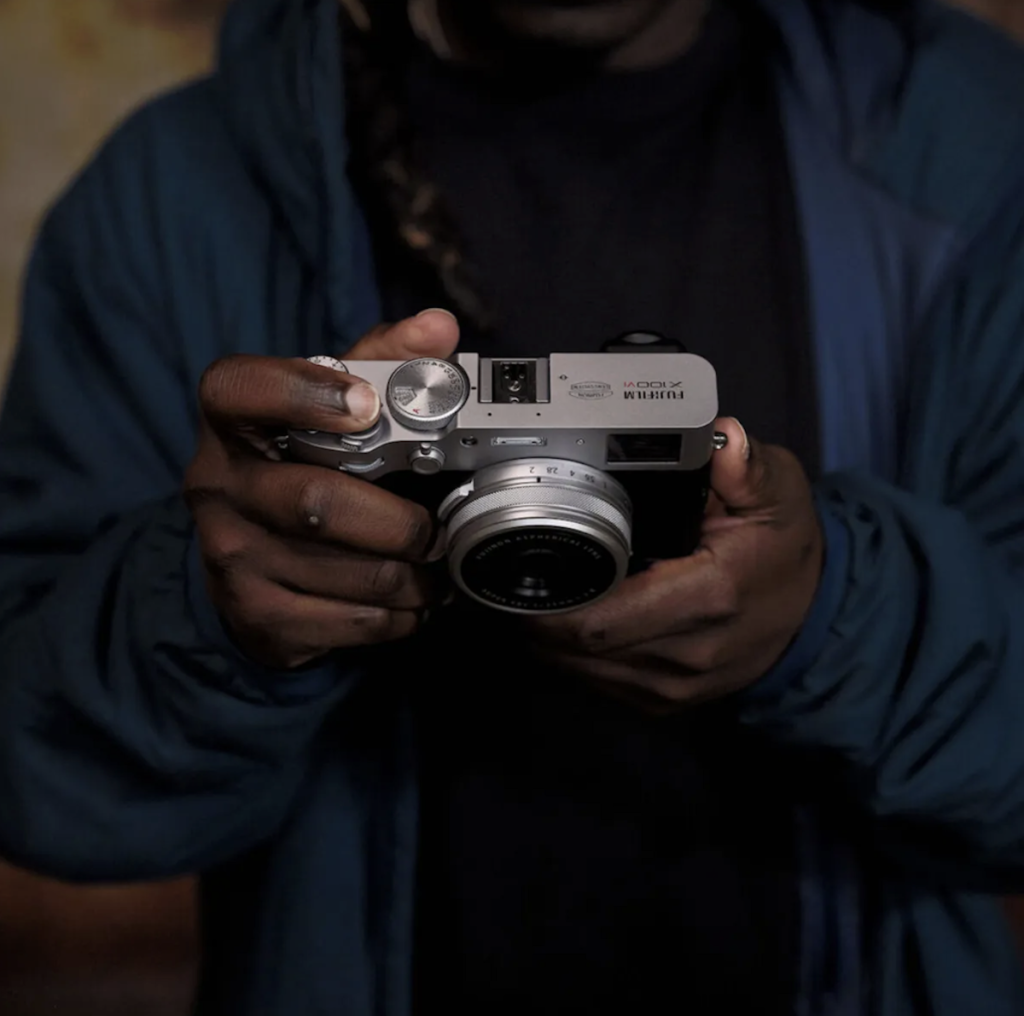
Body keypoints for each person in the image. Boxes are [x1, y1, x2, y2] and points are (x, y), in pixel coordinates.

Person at [2, 0, 1024, 1012]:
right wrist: (210, 610)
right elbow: (39, 781)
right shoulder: (174, 195)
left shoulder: (970, 146)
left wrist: (833, 615)